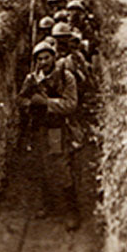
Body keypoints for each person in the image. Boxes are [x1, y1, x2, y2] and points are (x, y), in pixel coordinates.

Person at [17, 41, 80, 230]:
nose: (43, 62)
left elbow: (70, 104)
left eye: (46, 57)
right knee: (40, 166)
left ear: (54, 57)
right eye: (39, 59)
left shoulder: (65, 77)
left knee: (59, 165)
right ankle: (49, 205)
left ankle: (72, 211)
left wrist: (46, 103)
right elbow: (20, 99)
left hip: (55, 129)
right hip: (37, 128)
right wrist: (30, 104)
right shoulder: (32, 79)